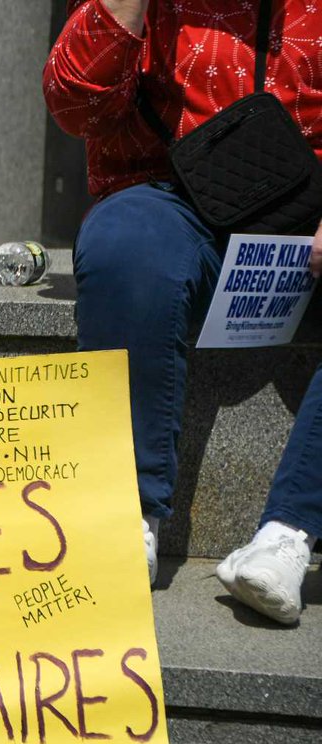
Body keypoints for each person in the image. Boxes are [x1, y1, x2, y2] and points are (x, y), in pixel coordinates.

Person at [44, 0, 321, 621]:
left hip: (310, 209)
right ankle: (124, 511)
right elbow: (73, 106)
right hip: (172, 194)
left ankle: (289, 532)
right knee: (126, 249)